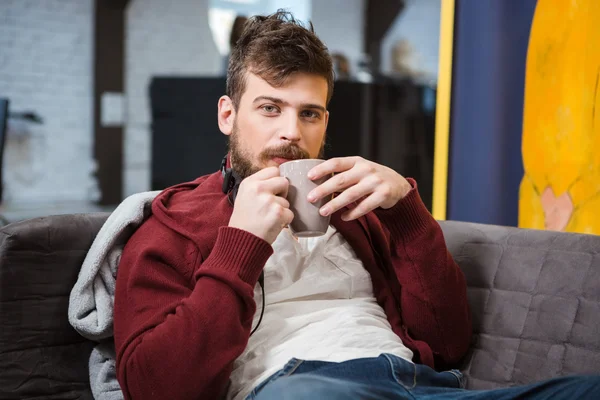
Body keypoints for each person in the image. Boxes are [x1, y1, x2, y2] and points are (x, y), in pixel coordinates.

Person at [113, 11, 600, 400]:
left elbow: (448, 345)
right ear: (228, 114)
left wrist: (407, 213)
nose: (291, 132)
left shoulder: (357, 208)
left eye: (310, 114)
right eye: (269, 108)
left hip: (416, 386)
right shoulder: (173, 224)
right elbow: (155, 387)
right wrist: (240, 245)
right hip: (298, 387)